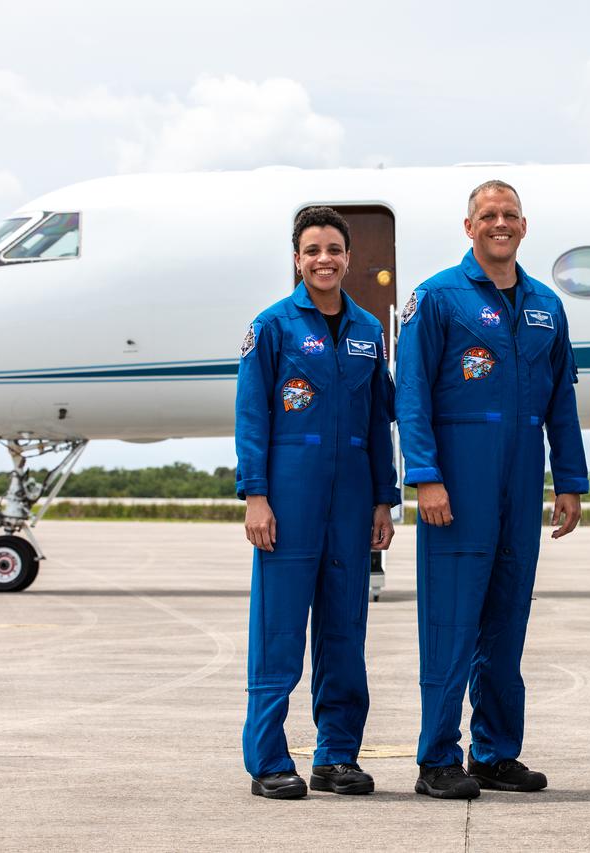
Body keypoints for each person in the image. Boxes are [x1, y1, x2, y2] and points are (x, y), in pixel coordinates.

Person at [395, 180, 588, 800]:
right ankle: (436, 758)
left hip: (522, 478)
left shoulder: (544, 306)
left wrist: (570, 482)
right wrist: (424, 476)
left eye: (509, 215)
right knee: (451, 623)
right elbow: (412, 394)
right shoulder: (437, 298)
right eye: (487, 215)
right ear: (468, 225)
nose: (499, 224)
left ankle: (497, 752)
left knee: (507, 621)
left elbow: (562, 398)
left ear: (524, 227)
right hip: (458, 479)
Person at [234, 206, 399, 799]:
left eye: (334, 249)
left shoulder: (367, 333)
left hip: (353, 498)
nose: (324, 259)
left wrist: (385, 499)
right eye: (313, 250)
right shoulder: (272, 327)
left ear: (348, 258)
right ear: (297, 260)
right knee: (279, 633)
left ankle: (337, 757)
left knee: (344, 633)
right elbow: (252, 416)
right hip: (289, 493)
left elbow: (380, 423)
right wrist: (255, 495)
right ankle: (270, 761)